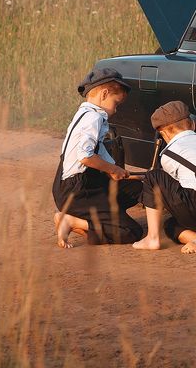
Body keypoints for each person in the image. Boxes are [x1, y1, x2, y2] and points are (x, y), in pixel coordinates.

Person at [52, 67, 143, 248]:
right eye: (116, 104)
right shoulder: (94, 118)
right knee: (133, 232)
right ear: (104, 94)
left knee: (137, 187)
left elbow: (98, 150)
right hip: (77, 191)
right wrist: (113, 169)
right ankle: (73, 221)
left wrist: (116, 171)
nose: (116, 110)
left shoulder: (85, 114)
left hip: (73, 184)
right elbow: (85, 156)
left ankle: (96, 219)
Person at [132, 100, 196, 254]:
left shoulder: (168, 153)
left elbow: (169, 189)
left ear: (163, 134)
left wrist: (146, 184)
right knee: (171, 223)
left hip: (195, 209)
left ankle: (153, 238)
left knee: (154, 177)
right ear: (192, 124)